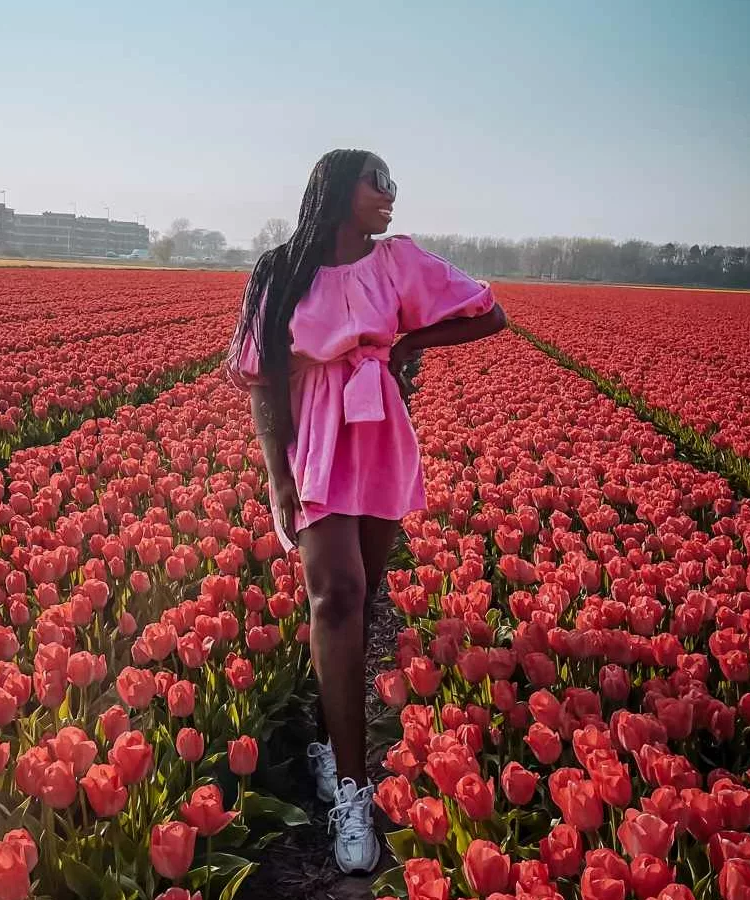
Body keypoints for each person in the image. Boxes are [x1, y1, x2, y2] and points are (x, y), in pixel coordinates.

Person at [224, 149, 506, 874]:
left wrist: (411, 341)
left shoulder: (398, 261)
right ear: (338, 185)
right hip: (314, 436)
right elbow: (262, 381)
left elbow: (490, 312)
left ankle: (327, 742)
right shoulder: (279, 271)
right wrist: (278, 478)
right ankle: (353, 789)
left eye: (393, 184)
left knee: (363, 594)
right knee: (336, 594)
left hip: (379, 429)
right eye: (377, 181)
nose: (390, 194)